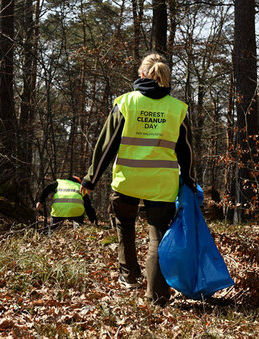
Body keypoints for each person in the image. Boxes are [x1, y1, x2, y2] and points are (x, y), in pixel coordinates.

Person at [81, 53, 195, 306]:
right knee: (158, 238)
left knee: (125, 226)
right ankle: (156, 296)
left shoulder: (126, 103)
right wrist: (187, 177)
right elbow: (185, 149)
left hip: (127, 180)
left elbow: (106, 146)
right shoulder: (177, 109)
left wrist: (90, 179)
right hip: (161, 185)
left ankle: (129, 276)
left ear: (142, 74)